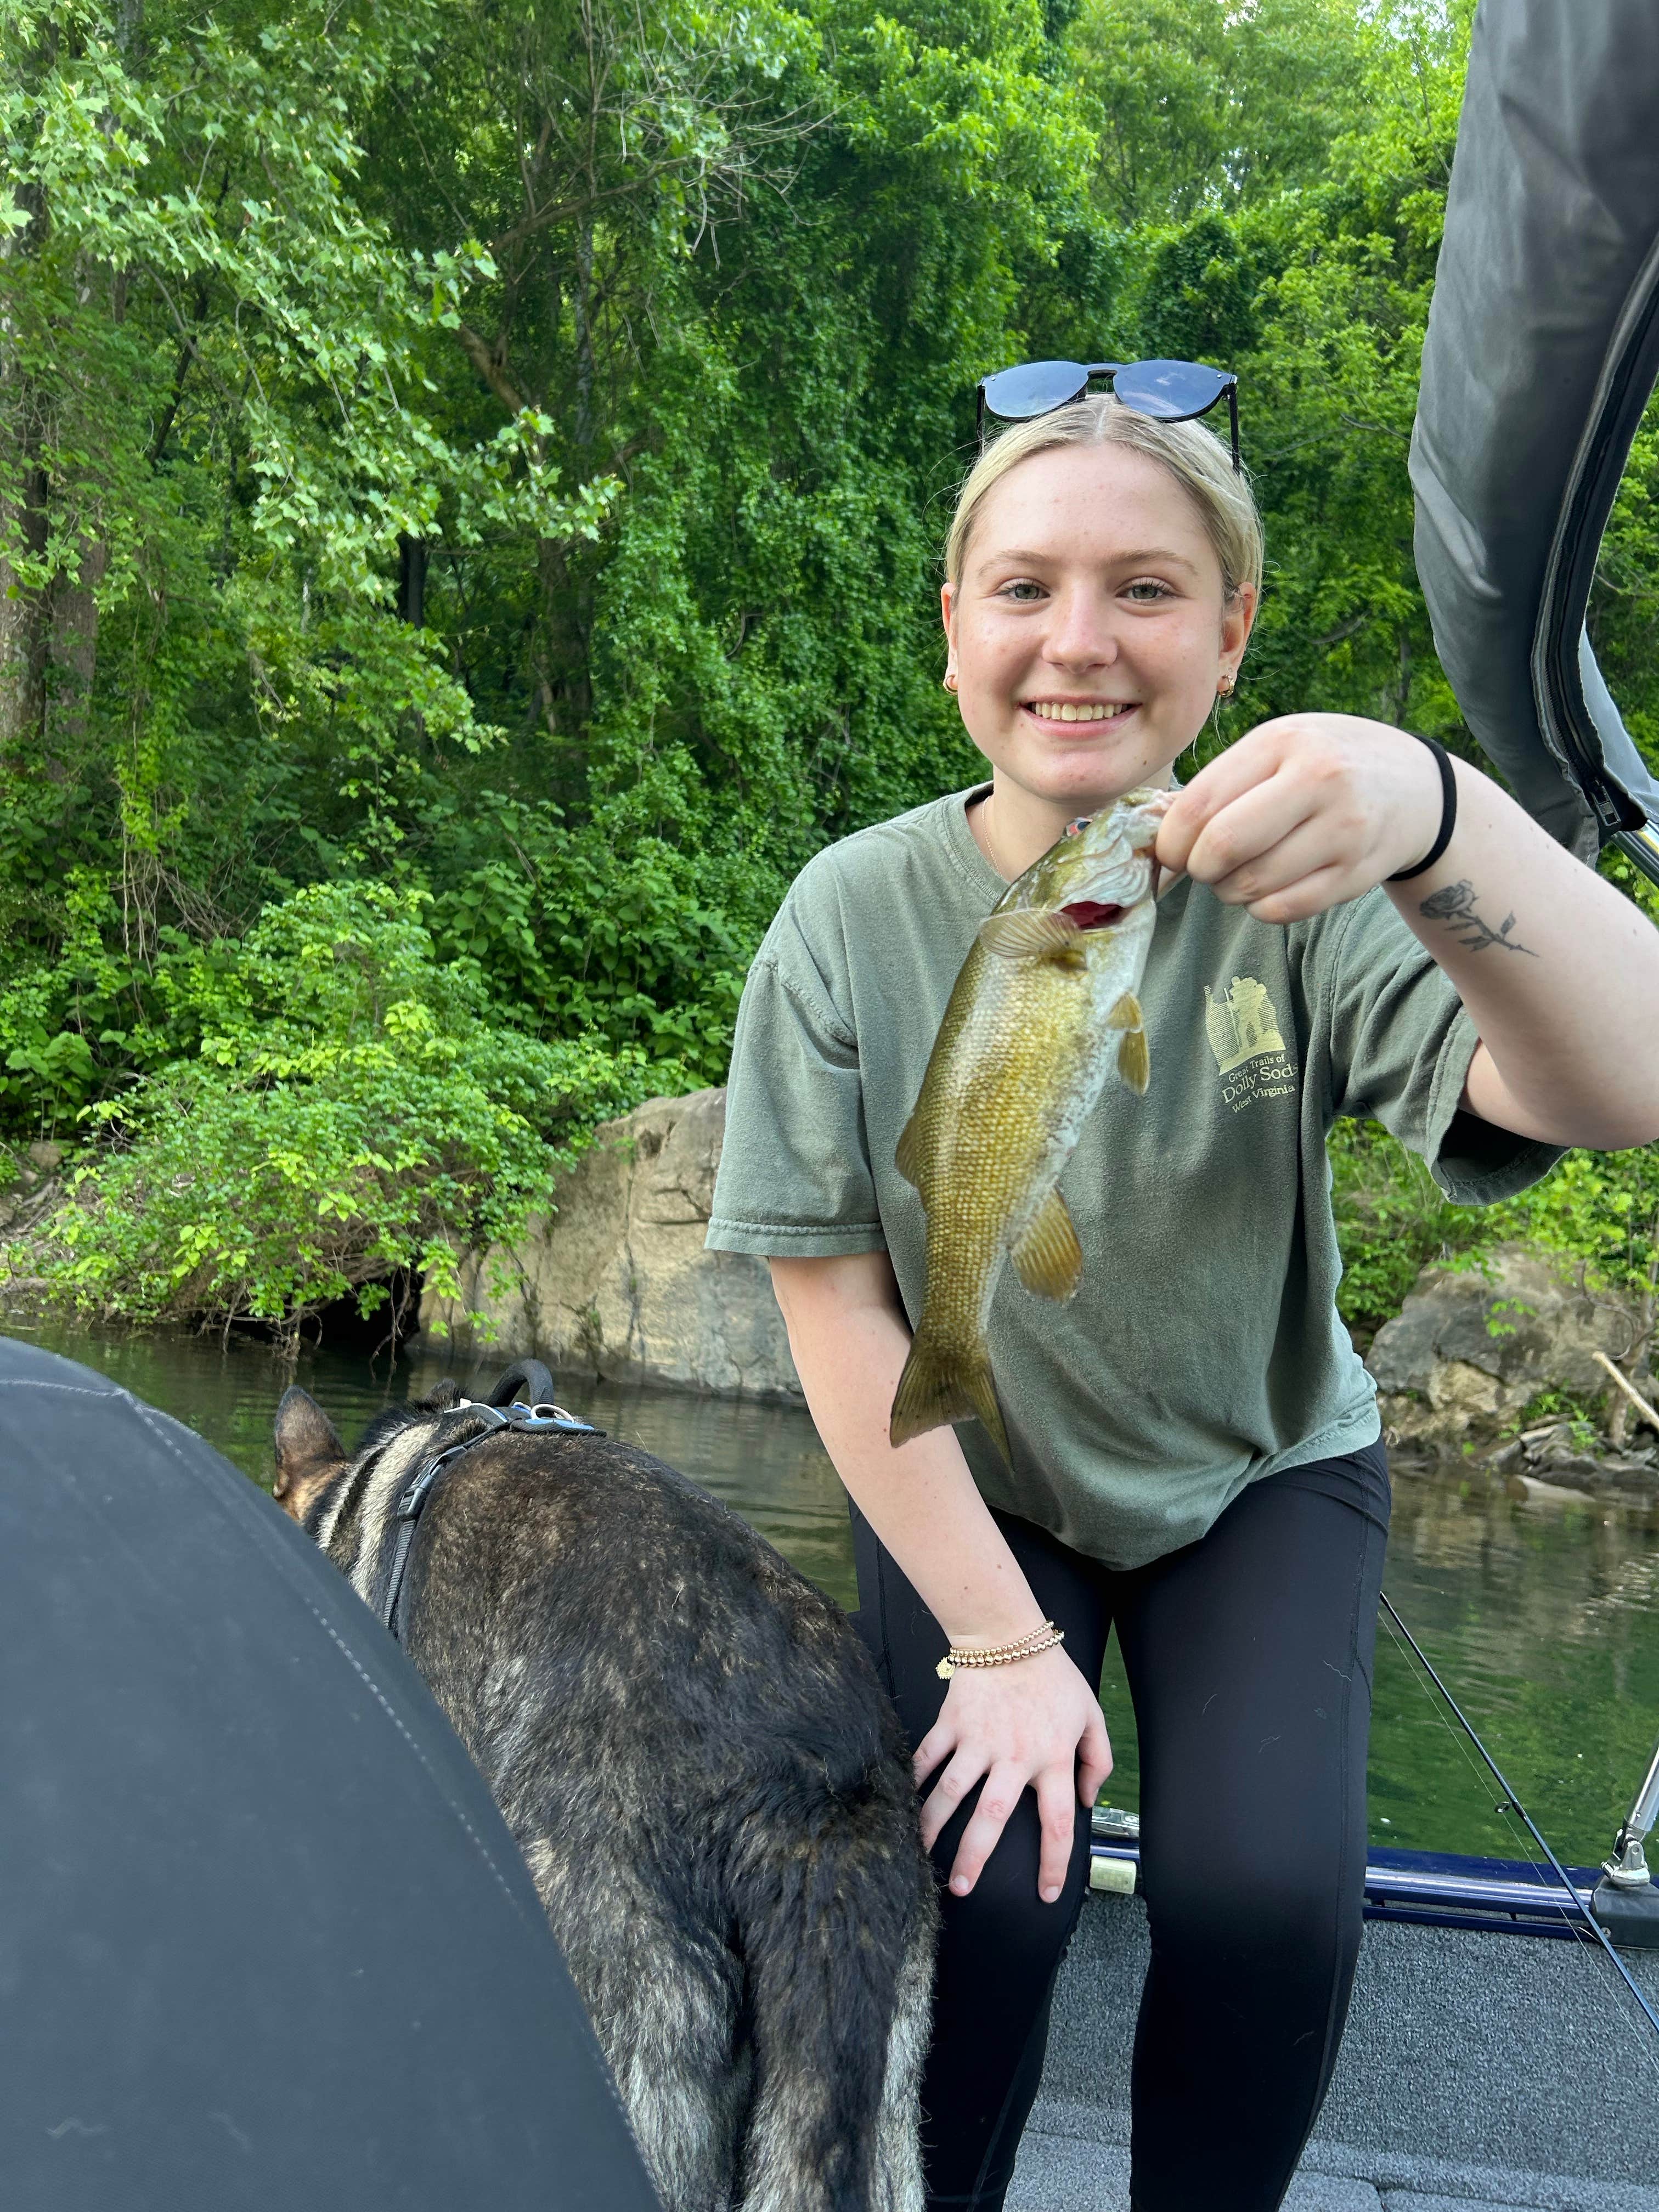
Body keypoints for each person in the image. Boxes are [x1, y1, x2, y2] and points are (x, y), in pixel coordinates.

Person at [704, 383, 1659, 2211]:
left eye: (1147, 588)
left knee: (1264, 1908)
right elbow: (838, 1312)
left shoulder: (1314, 884)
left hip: (1262, 1473)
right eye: (1024, 587)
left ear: (1233, 635)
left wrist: (1445, 819)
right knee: (981, 1897)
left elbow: (1628, 1084)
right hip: (971, 1472)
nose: (1079, 641)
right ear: (955, 627)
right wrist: (997, 1646)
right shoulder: (845, 915)